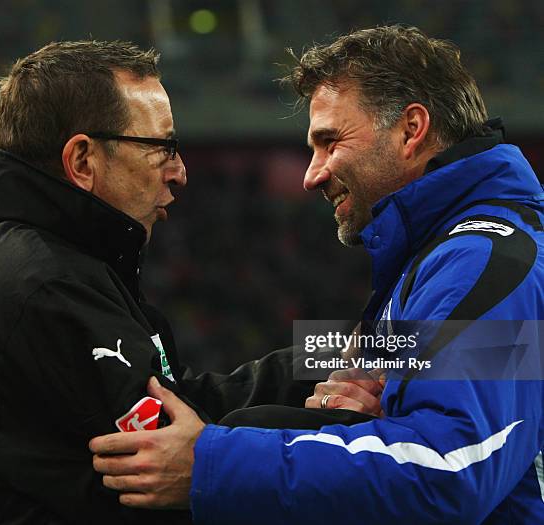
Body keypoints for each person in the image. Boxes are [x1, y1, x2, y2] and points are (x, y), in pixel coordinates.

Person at [90, 26, 544, 524]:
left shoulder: (486, 258)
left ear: (411, 129)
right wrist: (345, 364)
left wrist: (211, 462)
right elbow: (426, 352)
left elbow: (453, 467)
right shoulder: (449, 249)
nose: (312, 174)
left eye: (329, 142)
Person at [0, 39, 368, 524]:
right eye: (161, 148)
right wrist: (344, 419)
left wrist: (337, 351)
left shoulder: (0, 249)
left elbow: (185, 408)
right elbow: (171, 474)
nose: (179, 173)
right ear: (82, 161)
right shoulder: (48, 288)